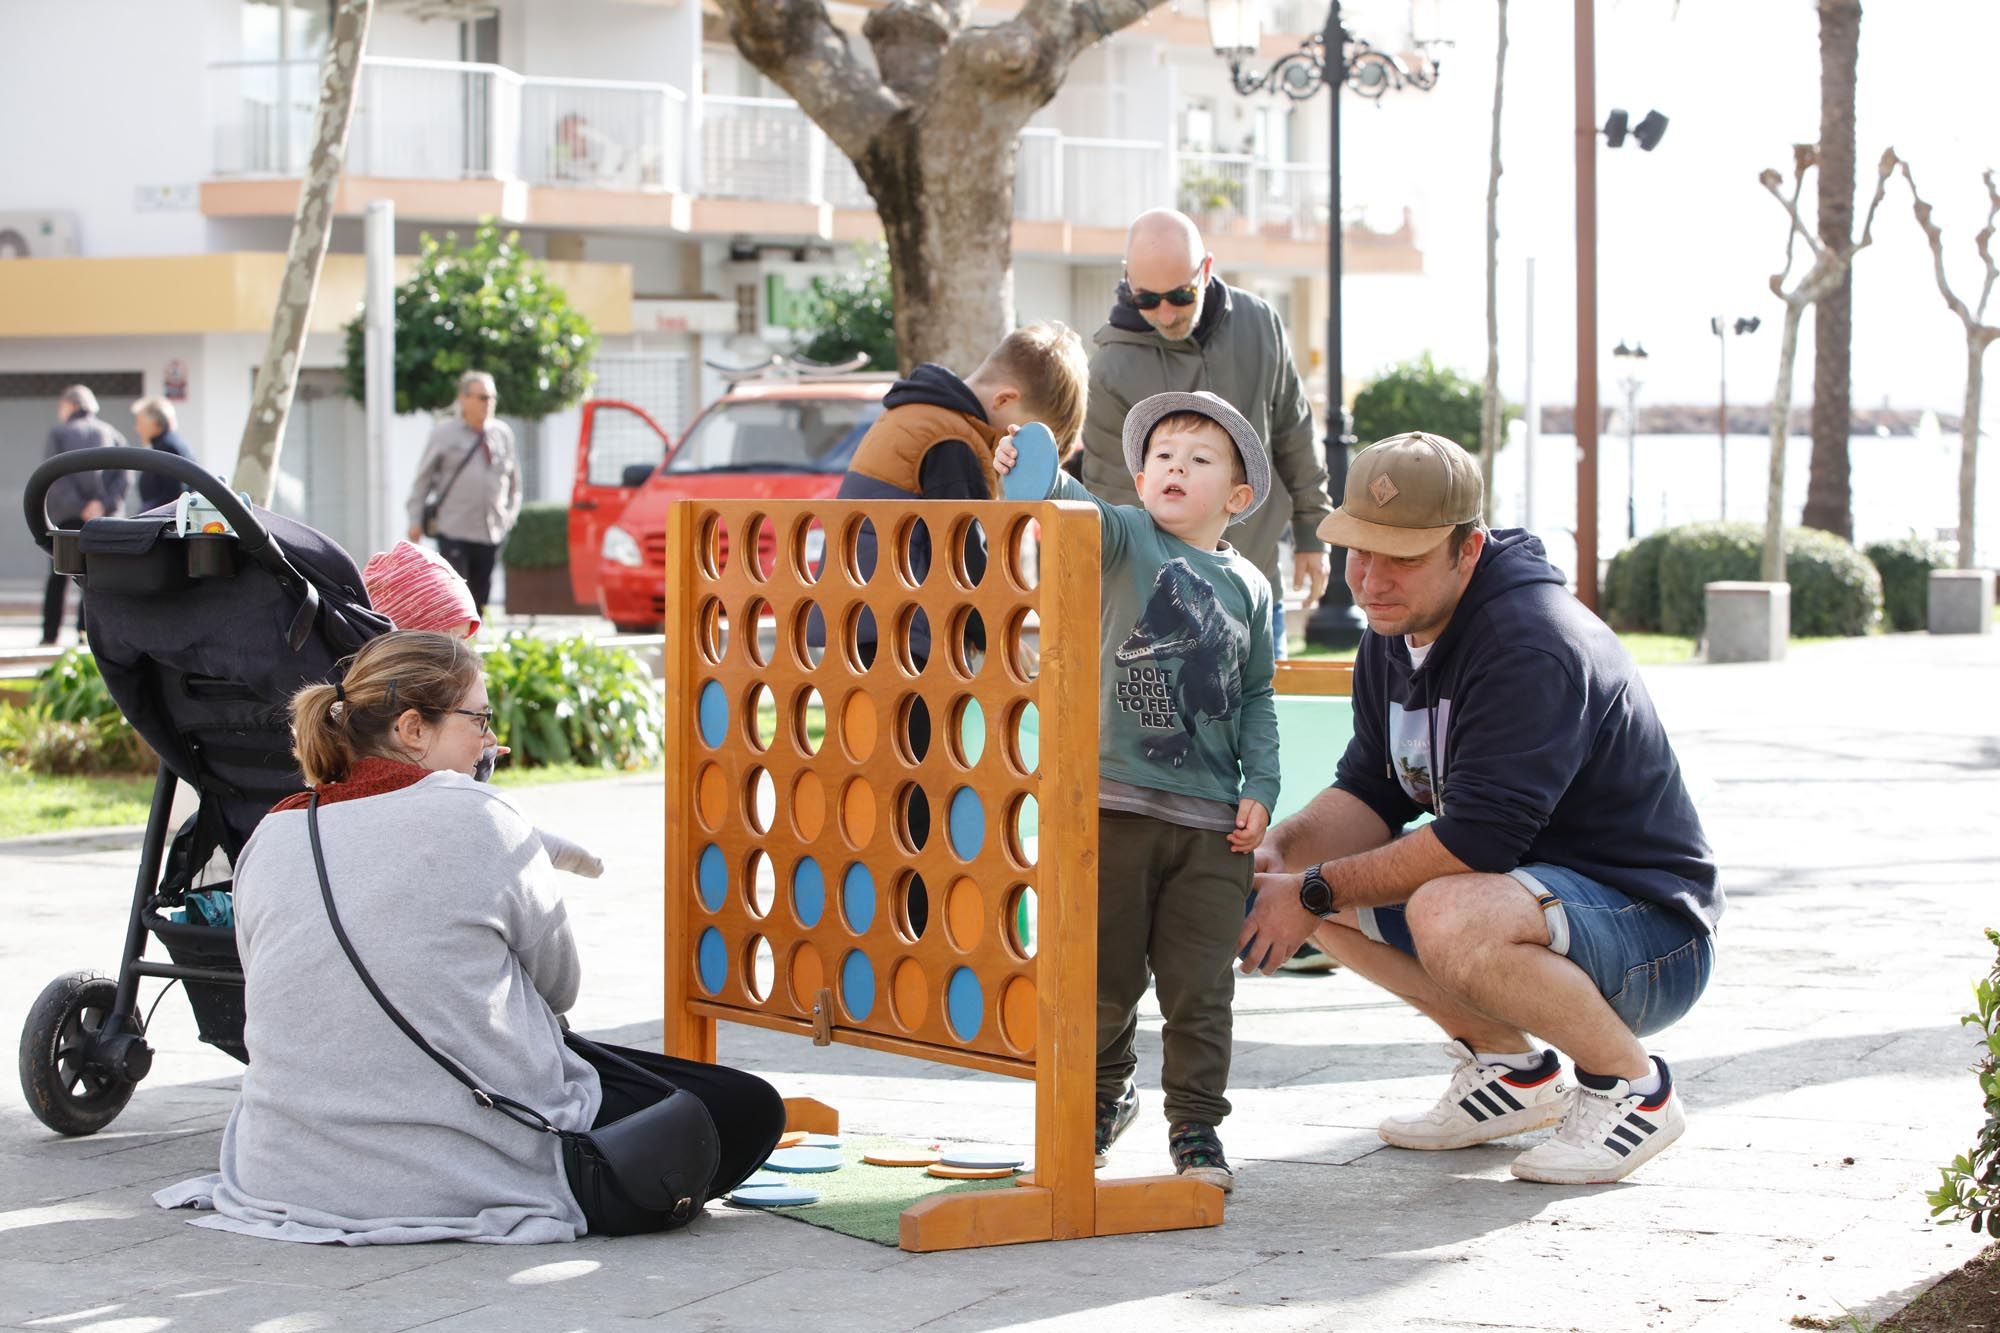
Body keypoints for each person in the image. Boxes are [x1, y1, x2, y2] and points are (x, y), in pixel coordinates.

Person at [155, 631, 784, 1241]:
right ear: (412, 729)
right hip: (466, 1158)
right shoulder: (481, 814)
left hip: (283, 1166)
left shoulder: (274, 832)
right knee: (744, 1105)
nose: (490, 740)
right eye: (479, 720)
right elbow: (559, 990)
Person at [1236, 433, 1721, 1185]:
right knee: (1315, 879)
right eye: (1358, 551)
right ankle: (1512, 1072)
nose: (1370, 579)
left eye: (1402, 555)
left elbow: (1480, 842)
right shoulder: (1394, 634)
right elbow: (1372, 789)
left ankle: (1635, 1089)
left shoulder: (1531, 644)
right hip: (1535, 906)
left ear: (1469, 548)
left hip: (1651, 932)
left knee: (1440, 908)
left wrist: (1312, 888)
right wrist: (1284, 855)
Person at [996, 389, 1278, 1194]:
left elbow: (1256, 692)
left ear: (1238, 496)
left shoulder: (1251, 588)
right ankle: (1097, 1098)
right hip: (1112, 807)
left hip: (1211, 826)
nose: (1174, 468)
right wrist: (1028, 462)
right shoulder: (1123, 537)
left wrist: (1261, 781)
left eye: (1198, 459)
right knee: (1103, 977)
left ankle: (1195, 1127)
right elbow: (1065, 497)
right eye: (1161, 457)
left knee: (1199, 989)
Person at [830, 320, 1089, 934]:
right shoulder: (952, 442)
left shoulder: (911, 418)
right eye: (1017, 441)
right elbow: (972, 565)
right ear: (1003, 404)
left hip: (865, 636)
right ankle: (920, 935)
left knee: (889, 793)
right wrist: (1004, 647)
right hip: (907, 645)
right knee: (925, 793)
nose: (1011, 457)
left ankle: (892, 930)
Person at [1080, 209, 1332, 663]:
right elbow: (1113, 499)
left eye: (1180, 294)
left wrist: (1312, 531)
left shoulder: (1260, 323)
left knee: (1259, 728)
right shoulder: (1108, 368)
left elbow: (1294, 430)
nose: (1166, 312)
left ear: (1207, 269)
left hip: (1256, 587)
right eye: (1147, 299)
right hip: (1164, 612)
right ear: (1128, 282)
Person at [360, 539, 601, 876]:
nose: (464, 655)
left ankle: (521, 838)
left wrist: (474, 757)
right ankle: (522, 840)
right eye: (452, 641)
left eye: (465, 640)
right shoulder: (377, 708)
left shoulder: (438, 691)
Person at [406, 370, 521, 613]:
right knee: (456, 596)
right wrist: (415, 519)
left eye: (491, 398)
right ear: (463, 399)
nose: (487, 404)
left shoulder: (502, 434)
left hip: (491, 530)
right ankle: (455, 647)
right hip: (455, 528)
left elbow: (514, 483)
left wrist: (509, 517)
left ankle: (474, 646)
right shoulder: (444, 434)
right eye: (481, 397)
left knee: (481, 597)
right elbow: (423, 480)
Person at [39, 385, 128, 645]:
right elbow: (124, 476)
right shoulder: (112, 434)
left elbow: (52, 477)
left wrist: (79, 506)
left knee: (59, 575)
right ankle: (86, 634)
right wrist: (103, 505)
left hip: (67, 518)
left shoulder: (59, 434)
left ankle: (49, 635)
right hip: (103, 520)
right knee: (95, 576)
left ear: (69, 406)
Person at [129, 396, 198, 512]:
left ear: (155, 423)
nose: (137, 429)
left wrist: (150, 512)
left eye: (139, 423)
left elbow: (174, 495)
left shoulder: (168, 447)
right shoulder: (166, 444)